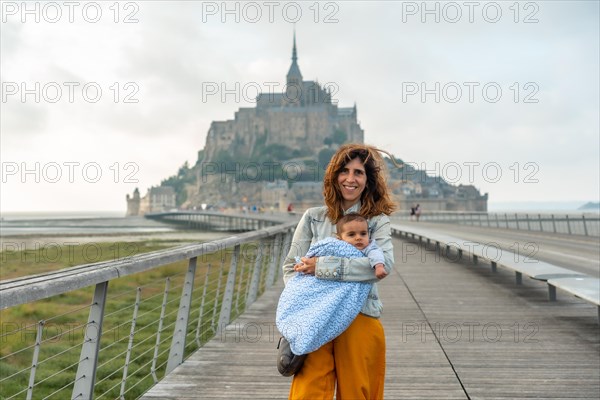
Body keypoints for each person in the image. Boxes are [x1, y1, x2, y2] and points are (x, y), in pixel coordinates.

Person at [282, 143, 397, 400]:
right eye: (344, 171)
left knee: (358, 390)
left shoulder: (377, 221)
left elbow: (383, 265)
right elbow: (291, 266)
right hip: (316, 317)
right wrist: (304, 301)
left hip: (360, 313)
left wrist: (321, 268)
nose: (350, 178)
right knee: (309, 390)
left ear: (368, 181)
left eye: (358, 173)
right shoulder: (313, 217)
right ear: (334, 176)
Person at [276, 213, 386, 356]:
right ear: (340, 238)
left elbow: (383, 262)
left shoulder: (371, 243)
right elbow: (296, 262)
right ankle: (298, 335)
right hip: (317, 298)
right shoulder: (314, 217)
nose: (358, 238)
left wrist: (321, 266)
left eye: (363, 234)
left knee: (356, 373)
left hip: (356, 309)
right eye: (352, 234)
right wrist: (300, 288)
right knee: (314, 374)